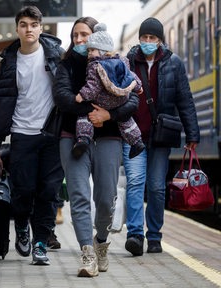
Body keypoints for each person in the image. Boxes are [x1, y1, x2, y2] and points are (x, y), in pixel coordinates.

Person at [53, 16, 139, 277]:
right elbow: (63, 98)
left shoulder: (117, 62)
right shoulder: (65, 66)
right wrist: (93, 111)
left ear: (97, 37)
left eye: (84, 35)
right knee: (78, 197)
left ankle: (101, 241)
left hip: (109, 137)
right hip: (72, 136)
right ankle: (87, 254)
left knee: (104, 198)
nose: (79, 40)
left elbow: (133, 100)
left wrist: (109, 116)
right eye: (75, 35)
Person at [0, 5, 64, 266]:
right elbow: (0, 102)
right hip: (22, 134)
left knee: (49, 191)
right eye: (24, 24)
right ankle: (21, 224)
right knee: (23, 190)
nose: (29, 29)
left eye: (33, 24)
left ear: (41, 28)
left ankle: (40, 242)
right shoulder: (10, 61)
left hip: (52, 134)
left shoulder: (56, 55)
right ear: (17, 28)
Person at [123, 17, 199, 256]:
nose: (147, 42)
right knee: (135, 183)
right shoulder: (128, 63)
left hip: (160, 136)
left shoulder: (173, 63)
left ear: (160, 41)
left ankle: (154, 236)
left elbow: (184, 99)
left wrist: (192, 133)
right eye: (144, 38)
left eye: (152, 38)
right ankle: (135, 235)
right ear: (140, 39)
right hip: (133, 135)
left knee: (156, 188)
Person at [73, 23, 145, 160]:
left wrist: (81, 96)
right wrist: (139, 87)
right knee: (126, 120)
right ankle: (137, 142)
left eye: (92, 50)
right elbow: (131, 77)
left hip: (103, 101)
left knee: (85, 116)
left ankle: (83, 139)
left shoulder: (95, 65)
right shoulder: (122, 60)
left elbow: (92, 86)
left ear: (102, 51)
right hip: (121, 100)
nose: (89, 54)